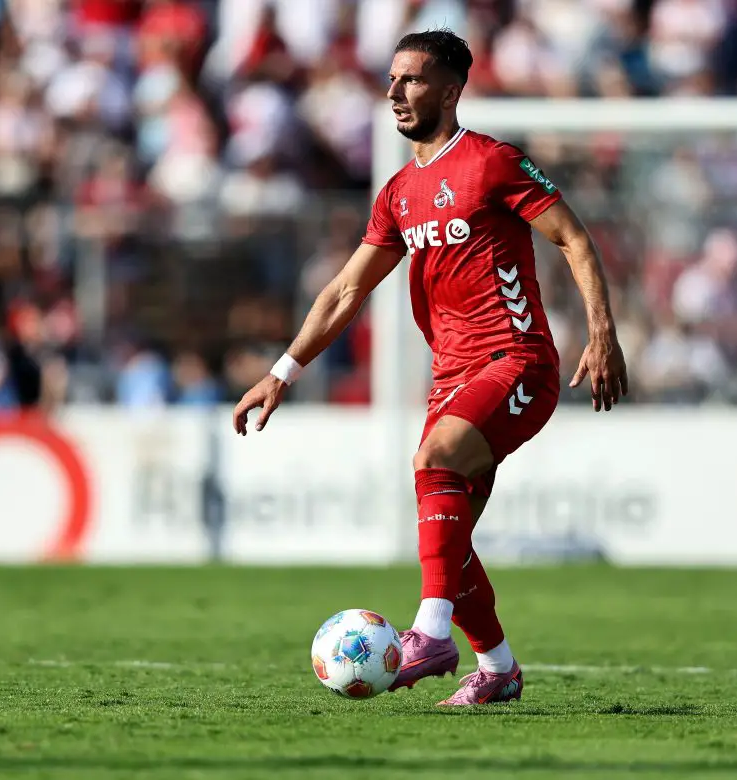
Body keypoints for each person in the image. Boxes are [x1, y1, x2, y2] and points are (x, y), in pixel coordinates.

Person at [231, 29, 627, 706]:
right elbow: (346, 290)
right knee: (451, 545)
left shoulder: (493, 161)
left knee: (433, 462)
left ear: (449, 89)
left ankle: (429, 635)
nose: (394, 92)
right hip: (451, 378)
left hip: (517, 360)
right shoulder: (397, 194)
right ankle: (498, 670)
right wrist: (283, 371)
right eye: (390, 80)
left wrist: (602, 331)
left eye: (411, 80)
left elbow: (573, 238)